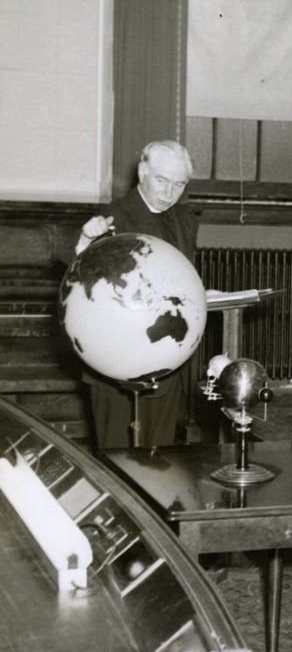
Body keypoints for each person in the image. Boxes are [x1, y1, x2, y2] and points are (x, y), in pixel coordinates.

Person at [75, 140, 199, 448]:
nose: (169, 192)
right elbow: (84, 281)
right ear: (143, 172)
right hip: (118, 361)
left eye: (179, 184)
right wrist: (84, 243)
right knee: (117, 457)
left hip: (169, 356)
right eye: (162, 180)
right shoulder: (113, 216)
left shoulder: (185, 220)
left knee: (162, 457)